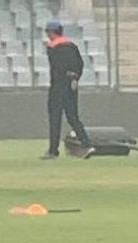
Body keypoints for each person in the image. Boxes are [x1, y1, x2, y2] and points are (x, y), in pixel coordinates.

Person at [41, 19, 94, 160]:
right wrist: (75, 78)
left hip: (58, 86)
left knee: (55, 119)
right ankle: (86, 144)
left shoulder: (53, 47)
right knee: (73, 117)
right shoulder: (72, 46)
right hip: (71, 86)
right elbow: (79, 65)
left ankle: (53, 151)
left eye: (48, 32)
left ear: (52, 32)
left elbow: (57, 68)